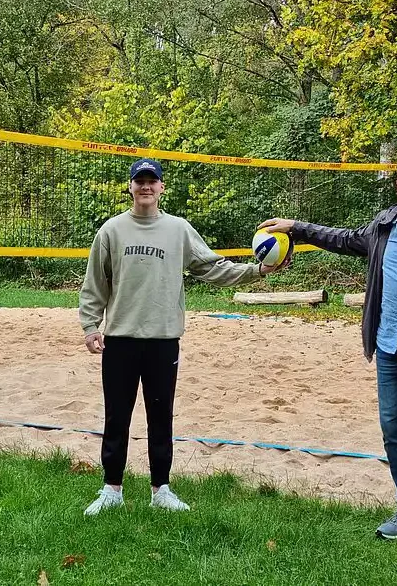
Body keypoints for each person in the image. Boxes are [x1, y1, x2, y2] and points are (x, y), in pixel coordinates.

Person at [259, 150, 397, 553]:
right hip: (389, 348)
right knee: (395, 432)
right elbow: (341, 239)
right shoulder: (384, 224)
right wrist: (297, 227)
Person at [79, 157, 287, 515]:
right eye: (139, 181)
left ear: (161, 187)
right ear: (130, 187)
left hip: (163, 340)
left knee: (161, 417)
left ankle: (161, 489)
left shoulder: (178, 229)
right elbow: (95, 283)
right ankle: (112, 489)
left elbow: (213, 267)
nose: (146, 187)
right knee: (117, 417)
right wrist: (89, 325)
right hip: (121, 339)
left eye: (152, 181)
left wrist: (257, 271)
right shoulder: (111, 231)